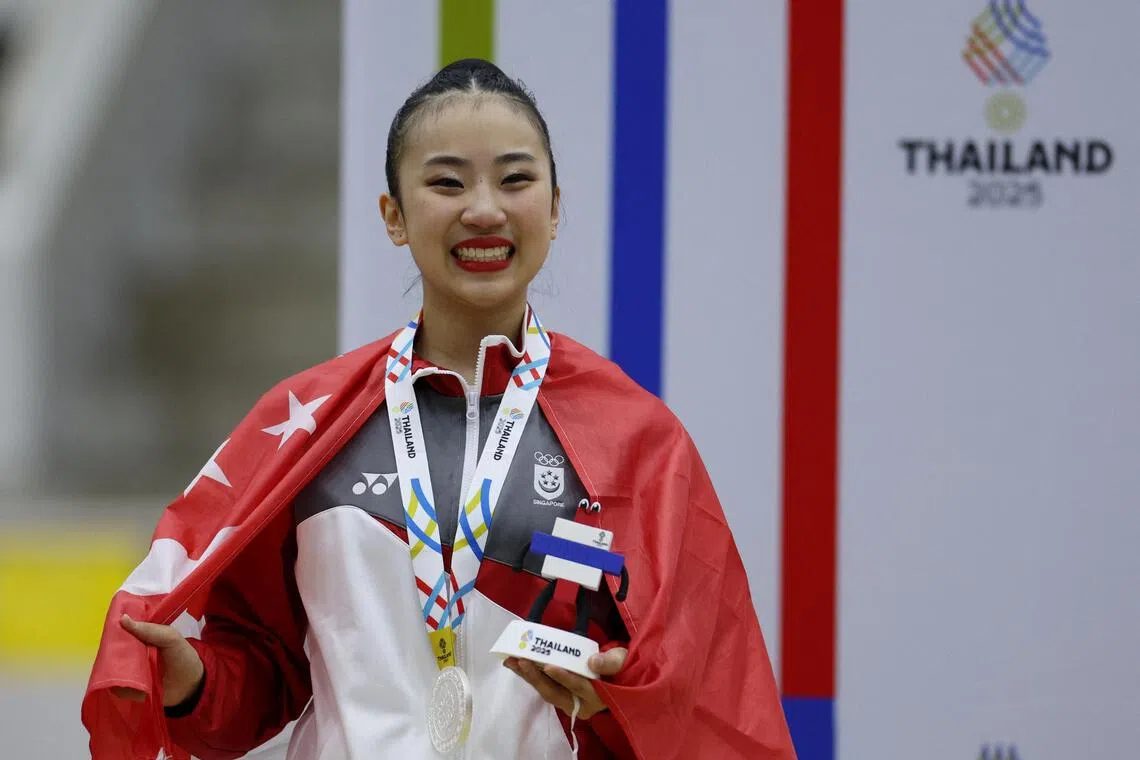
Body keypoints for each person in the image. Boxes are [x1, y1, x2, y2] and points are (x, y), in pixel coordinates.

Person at [82, 58, 796, 760]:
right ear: (393, 216)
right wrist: (193, 682)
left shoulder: (638, 439)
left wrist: (618, 700)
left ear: (553, 209)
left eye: (516, 180)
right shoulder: (312, 422)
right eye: (447, 182)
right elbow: (262, 678)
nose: (484, 210)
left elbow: (707, 698)